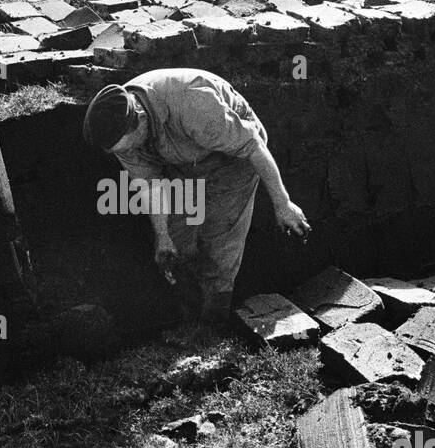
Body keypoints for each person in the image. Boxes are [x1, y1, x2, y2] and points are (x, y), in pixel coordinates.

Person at [83, 68, 310, 325]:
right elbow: (150, 185)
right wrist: (163, 236)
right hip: (183, 162)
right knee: (176, 245)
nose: (127, 153)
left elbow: (253, 147)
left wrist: (283, 203)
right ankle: (188, 320)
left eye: (127, 147)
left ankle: (214, 325)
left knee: (220, 243)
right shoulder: (120, 133)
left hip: (233, 160)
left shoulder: (192, 103)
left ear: (139, 120)